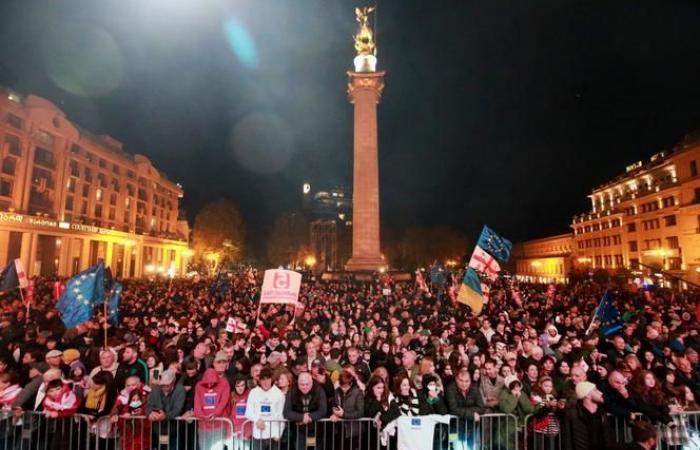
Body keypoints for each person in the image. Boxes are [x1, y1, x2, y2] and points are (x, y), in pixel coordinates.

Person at [561, 381, 615, 450]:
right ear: (587, 395)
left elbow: (608, 439)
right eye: (595, 390)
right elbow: (567, 440)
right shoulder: (572, 414)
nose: (600, 393)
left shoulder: (602, 413)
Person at [284, 372, 327, 450]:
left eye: (307, 384)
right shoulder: (292, 391)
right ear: (298, 383)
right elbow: (286, 412)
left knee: (312, 448)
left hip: (314, 430)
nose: (305, 387)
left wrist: (308, 417)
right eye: (302, 384)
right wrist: (302, 417)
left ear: (312, 383)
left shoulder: (319, 390)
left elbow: (323, 411)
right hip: (299, 431)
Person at [245, 368, 286, 450]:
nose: (265, 382)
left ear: (272, 379)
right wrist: (257, 419)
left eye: (268, 379)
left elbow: (282, 415)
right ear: (259, 380)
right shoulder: (253, 392)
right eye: (263, 379)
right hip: (258, 435)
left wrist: (279, 433)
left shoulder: (279, 394)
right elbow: (248, 412)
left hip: (273, 435)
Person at [147, 369, 185, 449]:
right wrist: (150, 414)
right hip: (158, 429)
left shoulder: (180, 389)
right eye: (162, 384)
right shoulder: (155, 389)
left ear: (173, 382)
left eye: (167, 384)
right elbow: (148, 406)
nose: (164, 386)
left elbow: (177, 409)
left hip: (174, 429)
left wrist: (165, 416)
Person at [194, 368, 231, 450]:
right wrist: (202, 416)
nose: (209, 385)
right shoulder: (199, 386)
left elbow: (223, 402)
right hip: (203, 426)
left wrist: (215, 414)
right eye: (207, 383)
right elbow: (197, 404)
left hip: (219, 425)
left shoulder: (224, 383)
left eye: (212, 383)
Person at [329, 370, 365, 450]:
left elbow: (360, 413)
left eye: (345, 386)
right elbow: (333, 406)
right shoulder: (337, 391)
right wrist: (333, 413)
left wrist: (343, 414)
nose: (343, 389)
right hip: (339, 430)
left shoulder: (358, 393)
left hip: (353, 431)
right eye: (341, 386)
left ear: (351, 383)